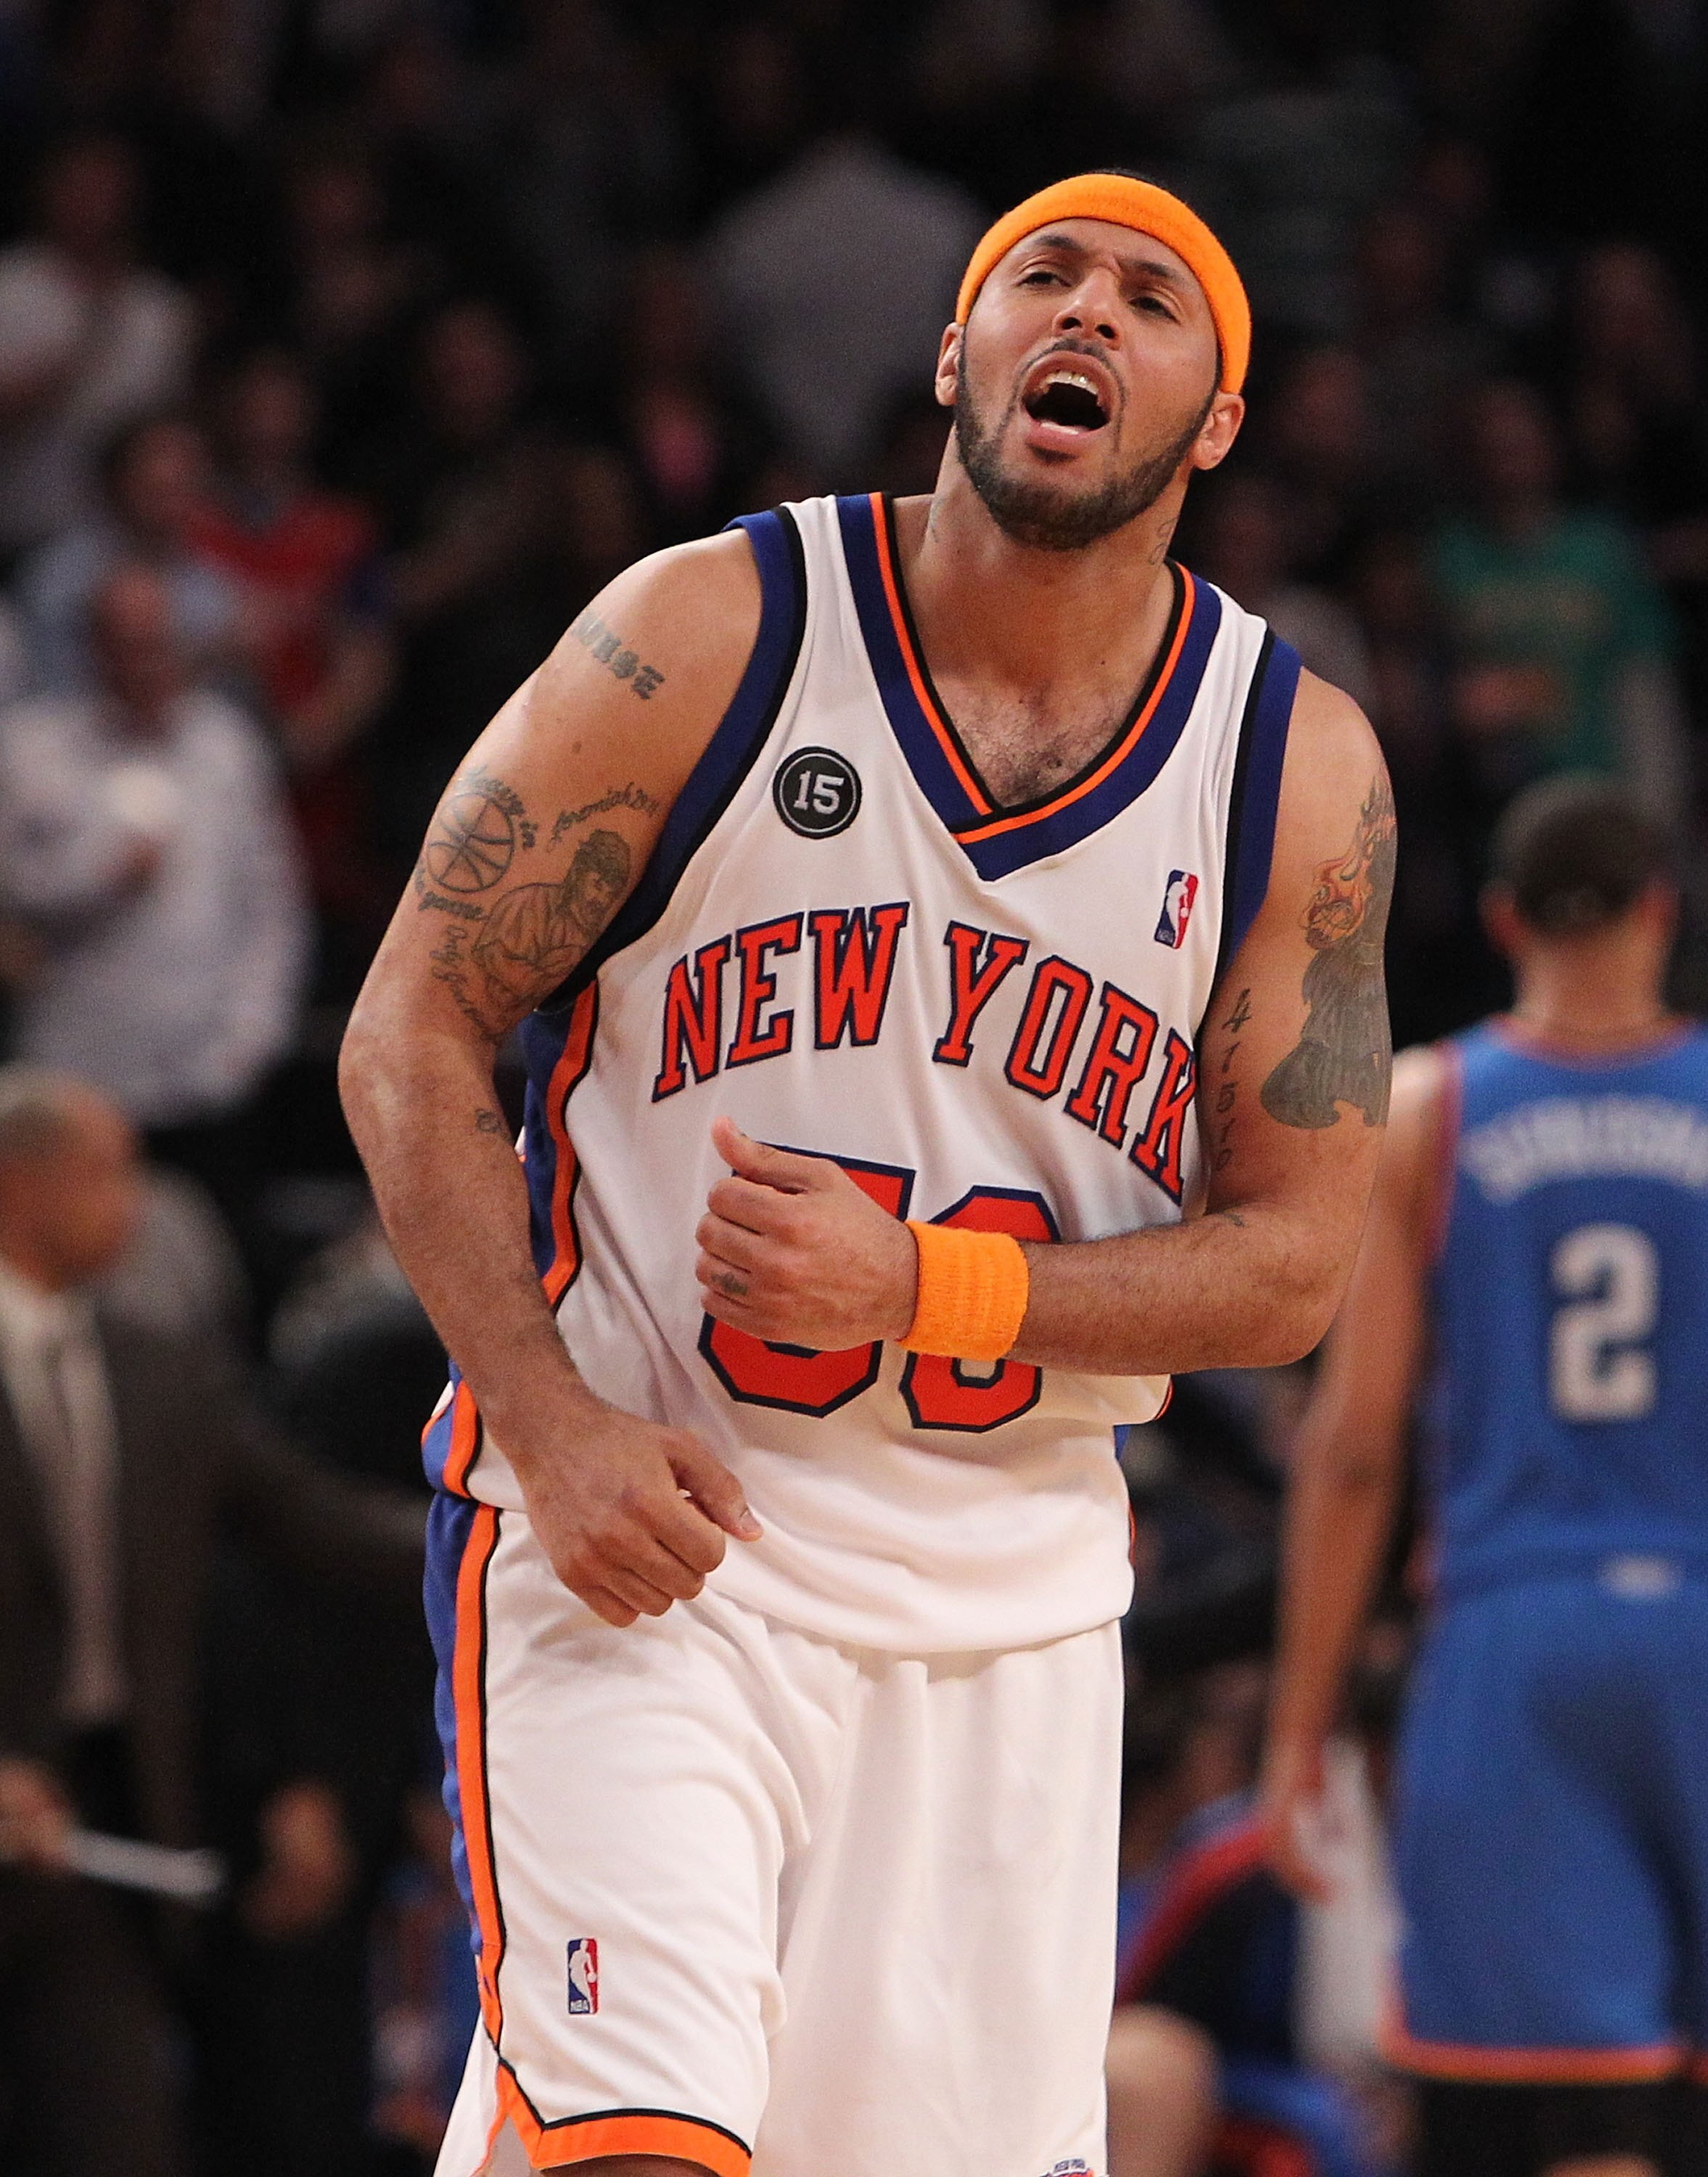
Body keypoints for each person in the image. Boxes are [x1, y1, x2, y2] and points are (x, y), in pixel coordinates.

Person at [342, 170, 1395, 2177]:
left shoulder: (1291, 767)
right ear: (954, 351)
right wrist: (548, 1426)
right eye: (1039, 279)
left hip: (1010, 1628)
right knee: (638, 2148)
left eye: (1151, 300)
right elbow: (407, 1027)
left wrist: (929, 1288)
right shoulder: (705, 632)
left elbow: (1289, 1272)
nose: (1083, 315)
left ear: (1220, 415)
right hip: (650, 1555)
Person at [1262, 776, 1708, 2177]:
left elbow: (1351, 1452)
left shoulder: (1428, 1111)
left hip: (1517, 1637)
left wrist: (1297, 1725)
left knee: (1588, 2117)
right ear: (1660, 911)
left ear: (1503, 919)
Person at [0, 1066, 425, 2176]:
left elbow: (311, 1525)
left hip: (99, 1820)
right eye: (105, 1175)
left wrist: (506, 1537)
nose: (134, 1206)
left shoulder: (159, 1367)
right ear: (17, 1185)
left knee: (117, 2136)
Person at [0, 563, 308, 1194]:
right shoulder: (29, 751)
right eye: (127, 644)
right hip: (75, 1071)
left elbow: (271, 905)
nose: (146, 662)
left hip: (207, 1080)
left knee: (208, 1273)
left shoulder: (226, 746)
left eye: (158, 642)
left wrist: (251, 1040)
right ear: (93, 649)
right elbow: (11, 898)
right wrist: (96, 874)